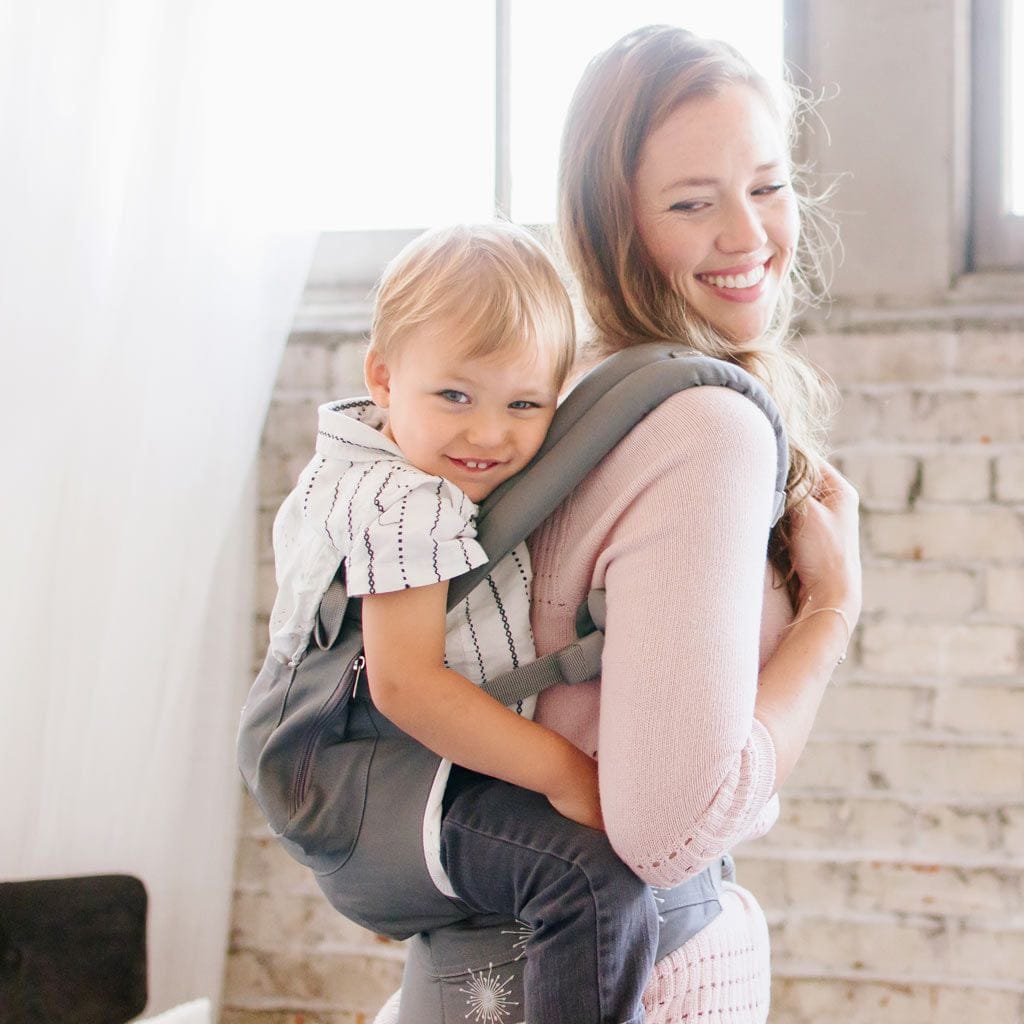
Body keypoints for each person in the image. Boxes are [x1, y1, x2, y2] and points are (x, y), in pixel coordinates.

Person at [376, 25, 862, 1024]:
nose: (748, 234)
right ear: (614, 226)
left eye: (768, 186)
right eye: (691, 203)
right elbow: (670, 831)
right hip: (634, 977)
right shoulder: (702, 426)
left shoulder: (567, 392)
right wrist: (831, 614)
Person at [269, 221, 659, 1024]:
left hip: (372, 770)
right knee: (592, 880)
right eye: (455, 396)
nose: (488, 432)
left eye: (524, 404)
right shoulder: (406, 502)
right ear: (383, 377)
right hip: (359, 781)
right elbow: (408, 686)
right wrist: (565, 773)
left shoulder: (381, 459)